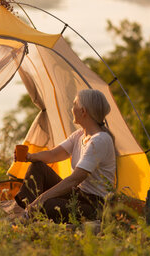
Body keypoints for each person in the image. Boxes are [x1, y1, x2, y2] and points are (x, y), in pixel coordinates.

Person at [14, 89, 116, 223]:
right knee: (37, 167)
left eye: (74, 104)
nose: (72, 108)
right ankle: (30, 212)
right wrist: (29, 157)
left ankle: (32, 212)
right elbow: (52, 155)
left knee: (48, 204)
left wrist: (41, 199)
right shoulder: (80, 135)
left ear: (83, 111)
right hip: (78, 195)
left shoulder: (100, 140)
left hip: (95, 205)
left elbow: (75, 179)